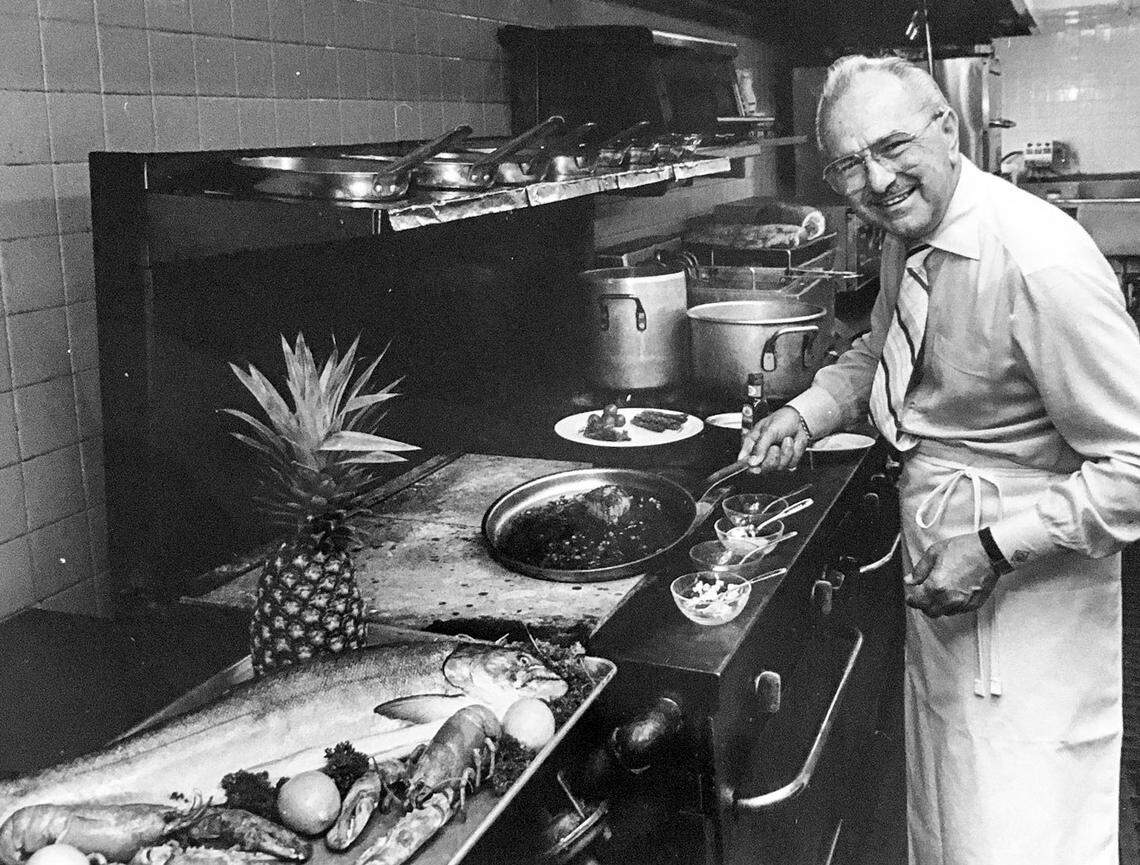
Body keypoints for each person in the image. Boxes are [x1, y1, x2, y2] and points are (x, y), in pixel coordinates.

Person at [740, 54, 1140, 865]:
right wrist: (805, 413)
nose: (878, 180)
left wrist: (991, 549)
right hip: (946, 576)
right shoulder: (912, 237)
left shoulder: (1036, 261)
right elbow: (884, 349)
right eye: (850, 164)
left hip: (1030, 606)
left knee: (1020, 832)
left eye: (893, 146)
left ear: (946, 130)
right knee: (955, 814)